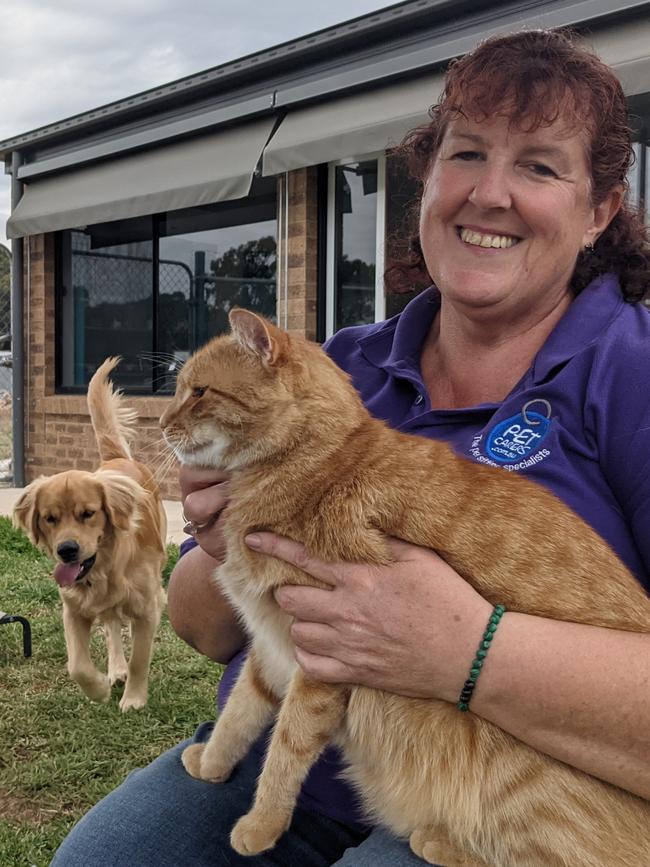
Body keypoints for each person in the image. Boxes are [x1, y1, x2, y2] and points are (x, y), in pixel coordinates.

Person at [51, 28, 650, 867]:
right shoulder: (337, 364)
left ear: (599, 213)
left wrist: (467, 647)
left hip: (492, 797)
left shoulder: (631, 369)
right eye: (467, 153)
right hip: (281, 764)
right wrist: (229, 546)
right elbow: (203, 627)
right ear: (428, 178)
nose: (491, 193)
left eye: (541, 166)